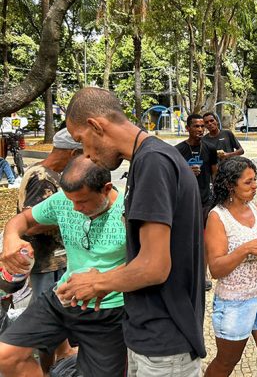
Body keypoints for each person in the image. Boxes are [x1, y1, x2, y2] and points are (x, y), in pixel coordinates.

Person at [62, 87, 206, 375]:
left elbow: (154, 267)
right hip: (151, 336)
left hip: (165, 342)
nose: (86, 155)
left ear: (95, 125)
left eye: (81, 141)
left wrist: (97, 283)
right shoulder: (149, 159)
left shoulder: (153, 162)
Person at [0, 156, 127, 377]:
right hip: (63, 296)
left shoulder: (130, 210)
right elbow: (23, 220)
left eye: (83, 202)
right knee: (6, 355)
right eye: (72, 201)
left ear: (106, 189)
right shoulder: (64, 200)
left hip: (108, 309)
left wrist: (103, 282)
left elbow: (147, 264)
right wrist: (11, 237)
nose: (75, 208)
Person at [204, 157, 257, 377]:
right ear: (229, 185)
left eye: (256, 180)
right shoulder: (217, 218)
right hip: (235, 301)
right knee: (226, 362)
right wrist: (244, 250)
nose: (255, 186)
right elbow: (215, 269)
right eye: (248, 182)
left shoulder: (256, 208)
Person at [16, 128, 81, 371]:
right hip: (45, 261)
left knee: (60, 313)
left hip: (57, 260)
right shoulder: (41, 176)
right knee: (47, 316)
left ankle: (59, 358)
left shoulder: (52, 174)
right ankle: (44, 369)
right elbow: (30, 224)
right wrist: (70, 216)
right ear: (72, 152)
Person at [176, 113, 218, 219]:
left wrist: (216, 194)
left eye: (202, 126)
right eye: (196, 126)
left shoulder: (210, 148)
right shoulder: (177, 150)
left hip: (206, 199)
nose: (200, 129)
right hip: (185, 199)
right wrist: (187, 171)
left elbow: (214, 173)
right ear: (187, 128)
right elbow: (172, 175)